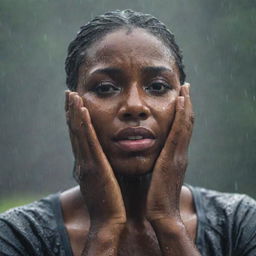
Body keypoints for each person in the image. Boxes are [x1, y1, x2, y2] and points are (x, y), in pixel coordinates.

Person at [0, 9, 256, 256]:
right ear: (72, 108)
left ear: (184, 103)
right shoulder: (19, 236)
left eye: (157, 86)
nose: (134, 105)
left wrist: (168, 222)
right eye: (106, 88)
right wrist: (105, 228)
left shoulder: (239, 223)